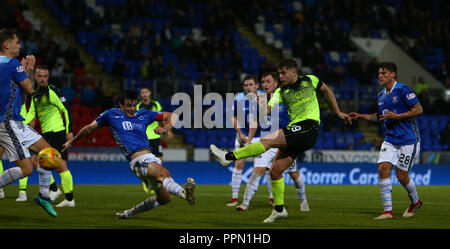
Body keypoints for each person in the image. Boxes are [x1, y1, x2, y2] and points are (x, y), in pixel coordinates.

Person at [210, 59, 351, 223]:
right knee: (276, 170)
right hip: (296, 133)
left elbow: (326, 90)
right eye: (279, 74)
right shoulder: (281, 92)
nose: (281, 76)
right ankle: (279, 209)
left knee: (268, 140)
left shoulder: (310, 80)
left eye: (283, 73)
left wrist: (338, 112)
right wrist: (261, 101)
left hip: (309, 128)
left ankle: (228, 157)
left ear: (293, 72)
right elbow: (264, 113)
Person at [62, 90, 195, 219]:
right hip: (138, 161)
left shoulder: (144, 114)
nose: (132, 109)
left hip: (151, 158)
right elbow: (90, 128)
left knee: (165, 198)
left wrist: (165, 128)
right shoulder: (111, 115)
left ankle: (129, 213)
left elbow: (172, 115)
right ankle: (185, 194)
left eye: (133, 105)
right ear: (120, 104)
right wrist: (72, 142)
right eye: (128, 106)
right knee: (164, 173)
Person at [349, 62, 423, 219]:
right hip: (390, 139)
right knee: (383, 169)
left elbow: (418, 110)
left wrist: (398, 116)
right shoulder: (381, 94)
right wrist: (361, 116)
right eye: (379, 73)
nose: (380, 76)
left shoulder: (403, 89)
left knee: (401, 177)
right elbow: (379, 116)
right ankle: (388, 211)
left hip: (408, 140)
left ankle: (415, 201)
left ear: (393, 74)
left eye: (383, 73)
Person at [0, 28, 58, 216]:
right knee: (26, 169)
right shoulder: (12, 64)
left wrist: (23, 73)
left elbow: (22, 98)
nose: (20, 46)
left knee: (48, 152)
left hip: (15, 120)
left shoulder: (6, 66)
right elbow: (31, 89)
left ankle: (43, 196)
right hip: (8, 122)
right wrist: (30, 69)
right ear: (6, 44)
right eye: (17, 42)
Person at [236, 72, 310, 212]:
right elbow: (255, 120)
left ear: (276, 83)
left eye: (268, 82)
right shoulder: (260, 99)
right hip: (268, 141)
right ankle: (245, 203)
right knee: (257, 170)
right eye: (263, 82)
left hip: (284, 140)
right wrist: (249, 140)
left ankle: (303, 200)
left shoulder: (285, 96)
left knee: (294, 174)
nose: (265, 85)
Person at [20, 65, 75, 207]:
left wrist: (69, 131)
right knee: (36, 161)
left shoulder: (53, 92)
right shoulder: (35, 95)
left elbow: (66, 109)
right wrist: (19, 126)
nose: (42, 79)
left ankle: (69, 199)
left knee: (61, 166)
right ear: (36, 77)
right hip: (46, 134)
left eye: (45, 76)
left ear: (48, 77)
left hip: (57, 133)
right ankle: (55, 190)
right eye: (39, 76)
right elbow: (31, 114)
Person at [227, 74, 272, 207]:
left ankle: (272, 197)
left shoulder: (264, 96)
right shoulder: (239, 98)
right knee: (239, 163)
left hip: (261, 136)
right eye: (246, 85)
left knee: (268, 168)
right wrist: (240, 133)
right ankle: (234, 198)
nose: (248, 87)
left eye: (251, 84)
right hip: (244, 135)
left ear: (257, 86)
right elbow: (233, 118)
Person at [136, 86, 173, 194]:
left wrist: (168, 130)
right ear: (141, 94)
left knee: (159, 161)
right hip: (144, 137)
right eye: (142, 92)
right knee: (145, 161)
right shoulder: (138, 106)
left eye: (146, 92)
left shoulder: (156, 104)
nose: (144, 94)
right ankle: (145, 180)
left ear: (150, 93)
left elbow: (162, 118)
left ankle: (155, 183)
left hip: (156, 137)